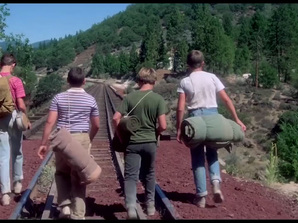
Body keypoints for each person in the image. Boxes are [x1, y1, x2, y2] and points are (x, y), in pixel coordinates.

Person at [176, 50, 246, 208]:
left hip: (195, 121)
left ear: (188, 65)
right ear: (203, 63)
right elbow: (226, 99)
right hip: (214, 117)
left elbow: (180, 108)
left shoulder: (185, 81)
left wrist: (179, 127)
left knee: (197, 158)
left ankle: (201, 196)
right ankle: (216, 184)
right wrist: (236, 119)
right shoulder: (212, 77)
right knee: (213, 152)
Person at [37, 67, 100, 220]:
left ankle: (64, 206)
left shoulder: (58, 98)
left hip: (62, 139)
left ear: (67, 81)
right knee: (79, 175)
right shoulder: (90, 100)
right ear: (84, 81)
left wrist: (44, 143)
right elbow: (96, 125)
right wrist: (89, 138)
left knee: (61, 172)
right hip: (82, 137)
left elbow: (50, 121)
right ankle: (78, 214)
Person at [112, 67, 167, 219]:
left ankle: (130, 207)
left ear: (139, 80)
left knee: (130, 176)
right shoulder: (158, 99)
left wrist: (121, 135)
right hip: (150, 143)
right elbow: (163, 126)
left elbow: (116, 118)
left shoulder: (130, 98)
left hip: (132, 142)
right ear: (154, 81)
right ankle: (150, 206)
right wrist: (154, 134)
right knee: (149, 174)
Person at [0, 53, 30, 206]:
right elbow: (20, 104)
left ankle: (5, 193)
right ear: (13, 65)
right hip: (13, 117)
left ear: (1, 64)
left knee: (2, 155)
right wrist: (25, 117)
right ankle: (17, 182)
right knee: (17, 151)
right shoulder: (15, 80)